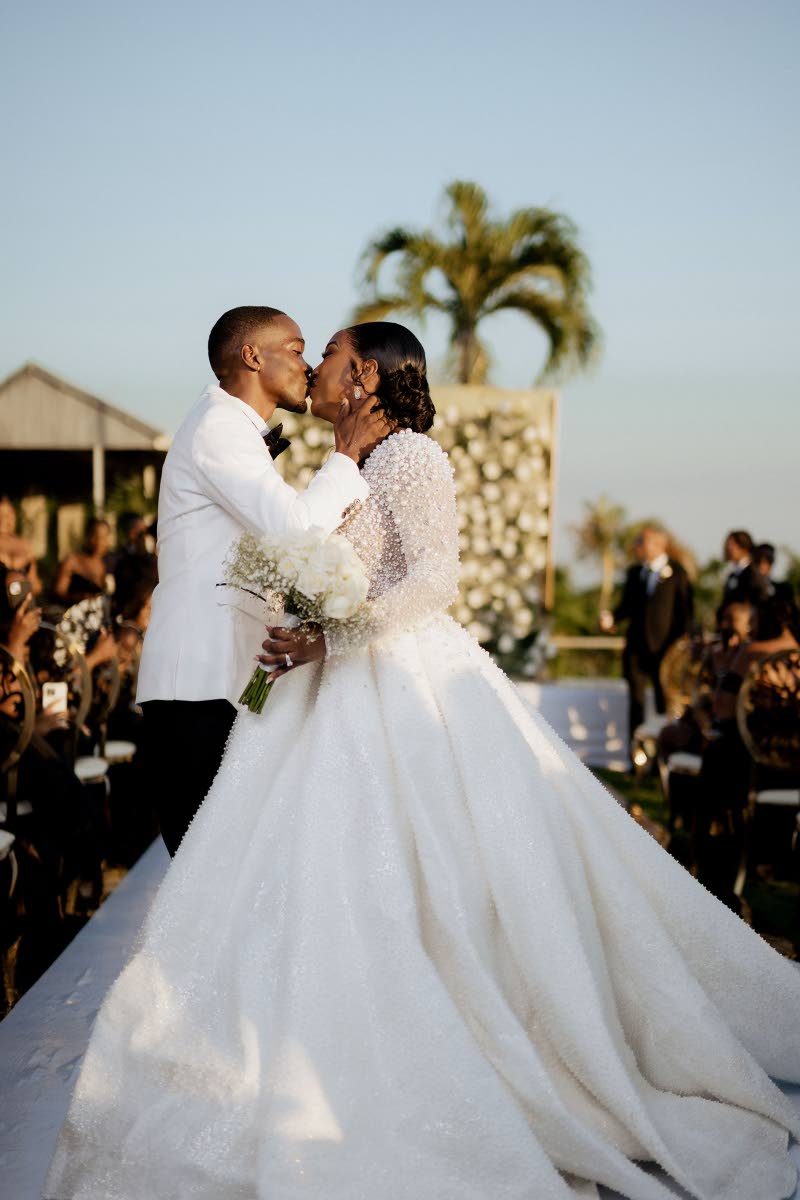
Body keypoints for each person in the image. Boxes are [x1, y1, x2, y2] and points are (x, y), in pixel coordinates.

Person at [45, 323, 800, 1200]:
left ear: (364, 374)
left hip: (403, 687)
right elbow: (313, 551)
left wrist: (332, 635)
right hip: (321, 692)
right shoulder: (348, 465)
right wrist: (308, 623)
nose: (316, 364)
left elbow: (433, 581)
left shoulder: (412, 460)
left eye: (327, 351)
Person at [134, 305, 388, 855]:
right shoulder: (219, 426)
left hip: (232, 680)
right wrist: (345, 456)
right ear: (252, 356)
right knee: (203, 867)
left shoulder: (235, 431)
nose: (308, 365)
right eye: (296, 349)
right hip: (195, 683)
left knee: (228, 867)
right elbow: (294, 529)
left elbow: (270, 562)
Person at [600, 525, 693, 747]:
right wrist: (612, 617)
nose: (637, 546)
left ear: (658, 545)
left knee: (664, 703)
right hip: (635, 649)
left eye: (641, 541)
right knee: (636, 702)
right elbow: (627, 606)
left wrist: (678, 649)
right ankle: (636, 755)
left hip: (664, 652)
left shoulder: (678, 573)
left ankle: (662, 752)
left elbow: (686, 614)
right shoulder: (634, 573)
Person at [53, 517, 114, 606]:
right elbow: (58, 592)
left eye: (104, 538)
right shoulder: (72, 561)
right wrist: (78, 598)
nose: (99, 542)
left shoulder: (105, 563)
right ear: (87, 536)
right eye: (95, 536)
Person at [0, 495, 42, 595]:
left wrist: (21, 583)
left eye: (9, 515)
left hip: (22, 602)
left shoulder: (25, 545)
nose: (4, 519)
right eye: (0, 514)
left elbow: (36, 585)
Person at [719, 529, 765, 612]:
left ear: (743, 547)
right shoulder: (733, 575)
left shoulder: (752, 573)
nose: (727, 549)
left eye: (731, 545)